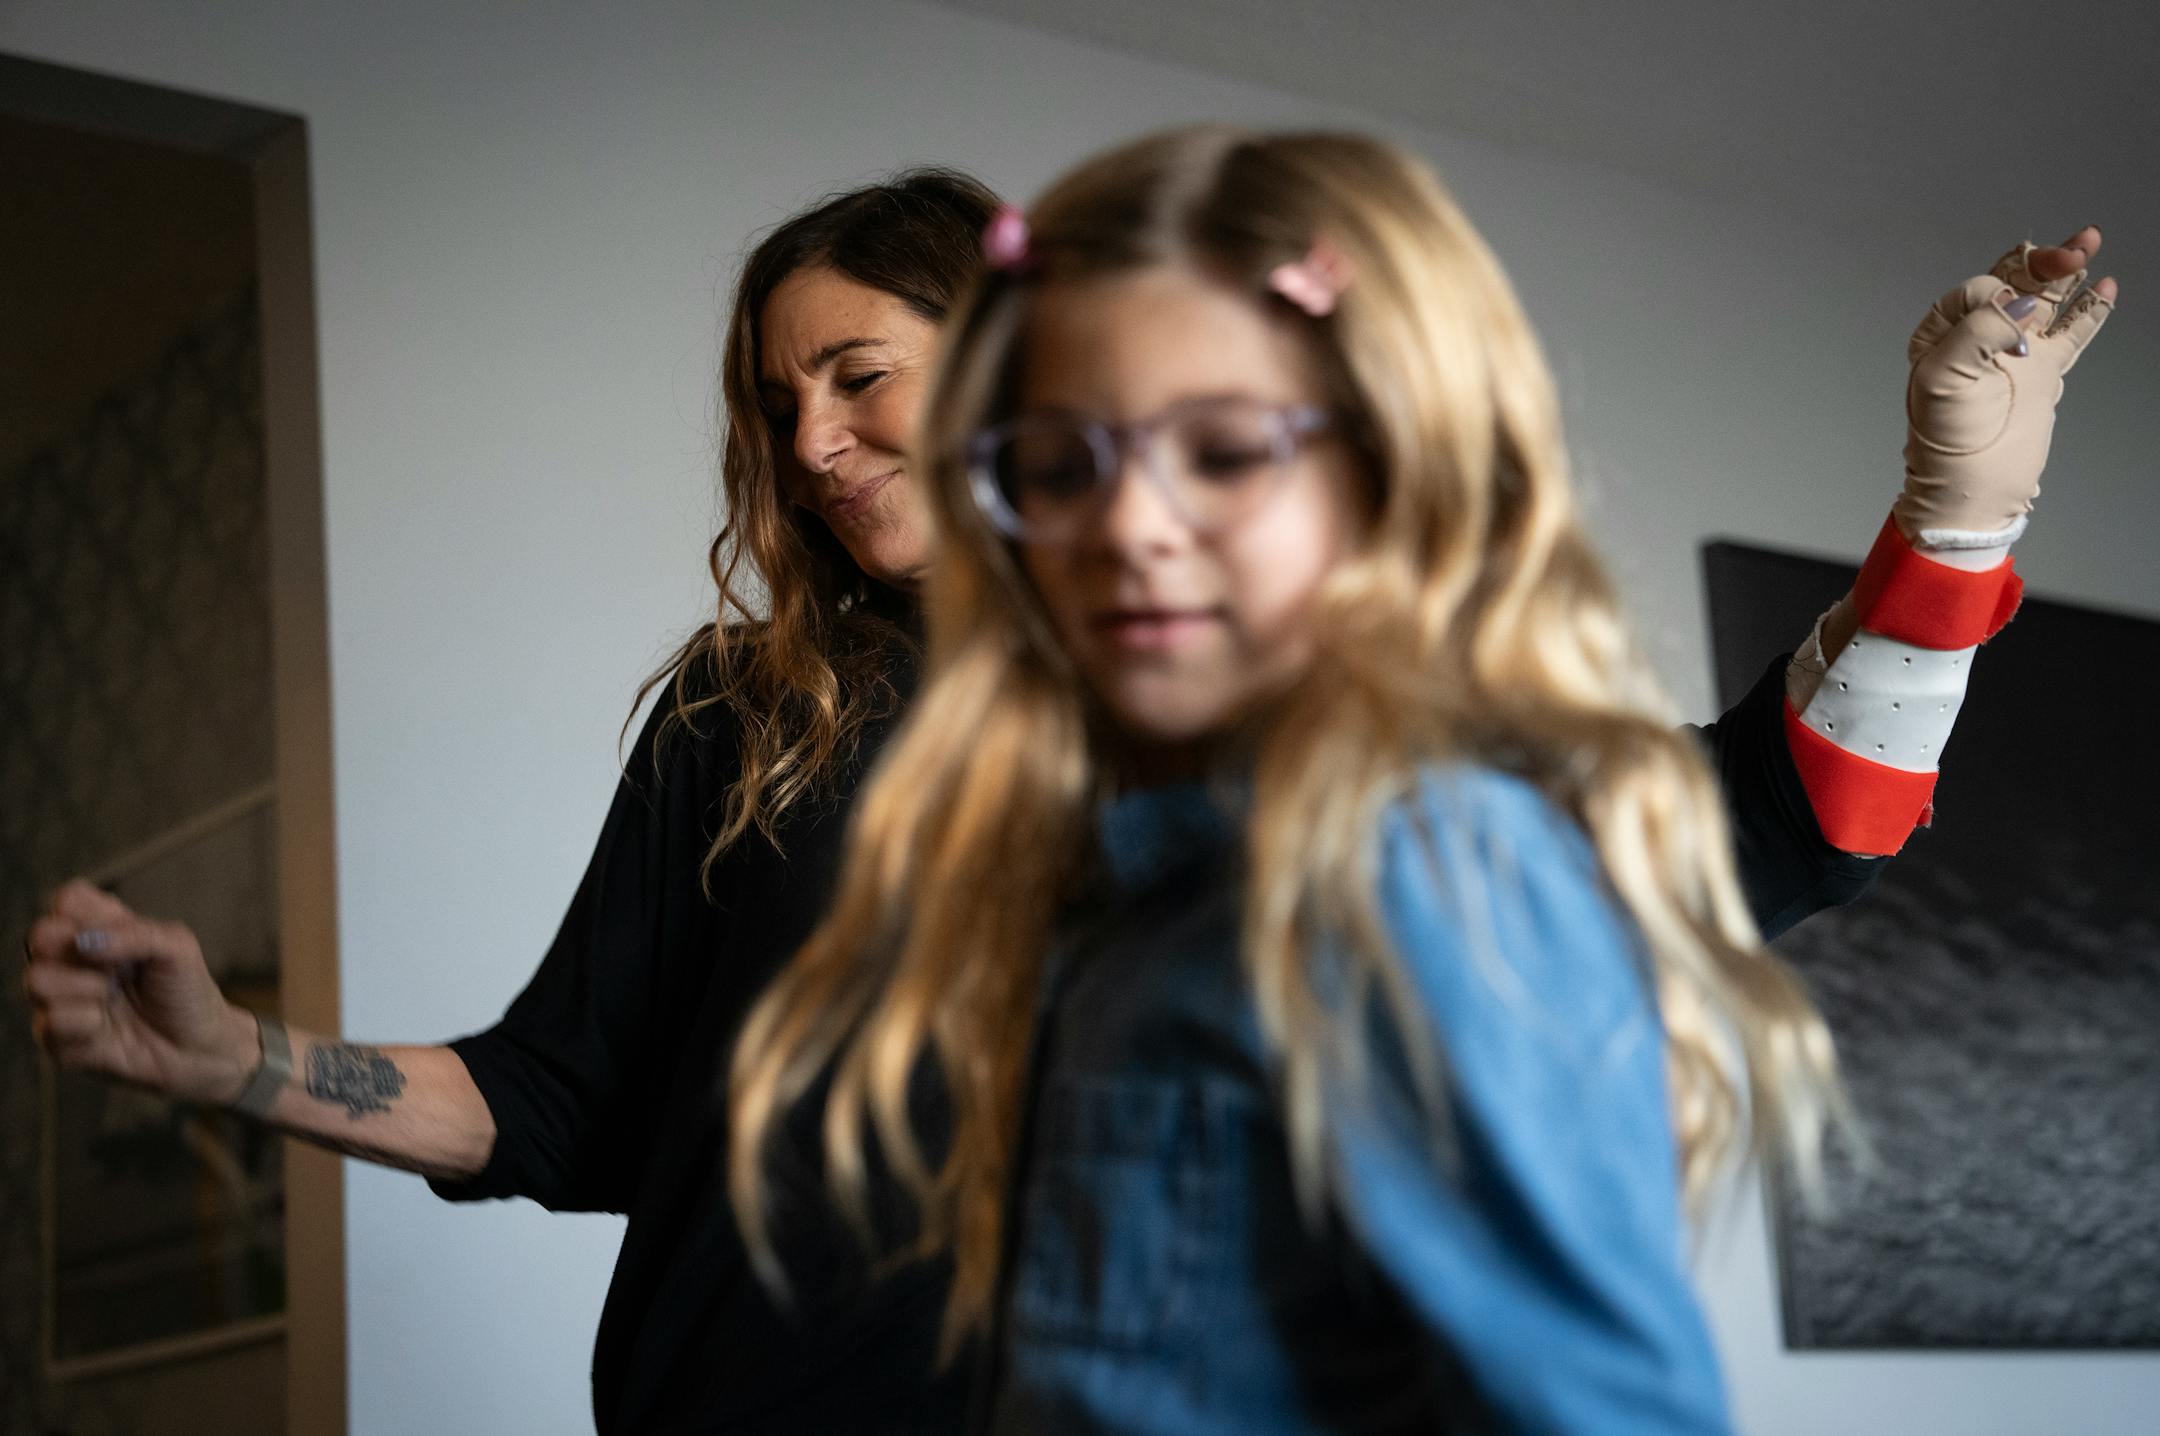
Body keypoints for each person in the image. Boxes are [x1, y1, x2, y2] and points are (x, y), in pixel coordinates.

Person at [22, 152, 2112, 1431]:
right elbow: (560, 1098)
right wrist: (237, 1065)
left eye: (861, 373)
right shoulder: (743, 721)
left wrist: (1953, 514)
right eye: (782, 402)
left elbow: (1784, 828)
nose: (819, 442)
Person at [727, 127, 2118, 1433]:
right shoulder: (1066, 861)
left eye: (1221, 452)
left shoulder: (1432, 868)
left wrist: (1956, 524)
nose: (1133, 526)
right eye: (1059, 460)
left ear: (1396, 477)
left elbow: (1771, 822)